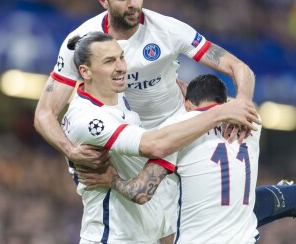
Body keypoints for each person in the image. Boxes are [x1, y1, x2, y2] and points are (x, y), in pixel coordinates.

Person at [34, 0, 295, 230]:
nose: (133, 3)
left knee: (207, 214)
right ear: (103, 0)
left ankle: (286, 196)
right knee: (163, 226)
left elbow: (239, 67)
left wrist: (240, 103)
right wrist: (70, 149)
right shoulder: (83, 43)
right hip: (130, 145)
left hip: (178, 133)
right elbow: (44, 112)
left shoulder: (167, 30)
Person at [62, 32, 258, 244]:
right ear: (85, 71)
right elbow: (154, 145)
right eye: (109, 61)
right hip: (111, 236)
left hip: (145, 236)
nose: (121, 66)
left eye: (121, 57)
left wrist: (191, 110)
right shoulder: (87, 119)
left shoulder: (116, 95)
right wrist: (218, 112)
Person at [85, 74, 262, 243]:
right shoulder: (252, 123)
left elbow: (140, 193)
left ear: (187, 104)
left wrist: (111, 180)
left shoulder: (177, 130)